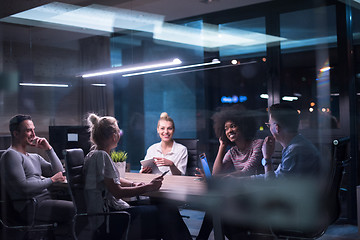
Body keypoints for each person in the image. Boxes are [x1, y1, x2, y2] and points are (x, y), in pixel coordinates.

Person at [83, 113, 192, 240]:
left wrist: (133, 184)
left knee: (167, 212)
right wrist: (149, 187)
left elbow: (113, 180)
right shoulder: (102, 156)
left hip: (105, 213)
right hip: (110, 217)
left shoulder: (92, 155)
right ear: (114, 136)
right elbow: (118, 192)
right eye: (118, 132)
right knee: (167, 212)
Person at [222, 103, 321, 240]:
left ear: (277, 127)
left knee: (226, 213)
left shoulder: (296, 150)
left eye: (269, 125)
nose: (269, 129)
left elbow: (273, 186)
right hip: (296, 206)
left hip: (294, 213)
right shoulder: (296, 145)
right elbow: (277, 177)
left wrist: (267, 158)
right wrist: (243, 180)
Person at [0, 114, 75, 239]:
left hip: (44, 202)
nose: (33, 135)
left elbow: (60, 172)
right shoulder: (11, 155)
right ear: (16, 133)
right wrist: (51, 180)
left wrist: (48, 149)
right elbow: (23, 187)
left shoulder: (34, 157)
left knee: (77, 207)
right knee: (75, 210)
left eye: (33, 130)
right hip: (31, 206)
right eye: (29, 130)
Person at [196, 106, 263, 240]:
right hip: (239, 195)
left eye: (233, 126)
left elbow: (246, 172)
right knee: (215, 207)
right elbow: (216, 172)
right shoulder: (233, 151)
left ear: (243, 126)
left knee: (216, 208)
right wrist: (222, 146)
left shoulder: (258, 144)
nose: (229, 131)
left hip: (257, 197)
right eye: (225, 128)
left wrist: (214, 179)